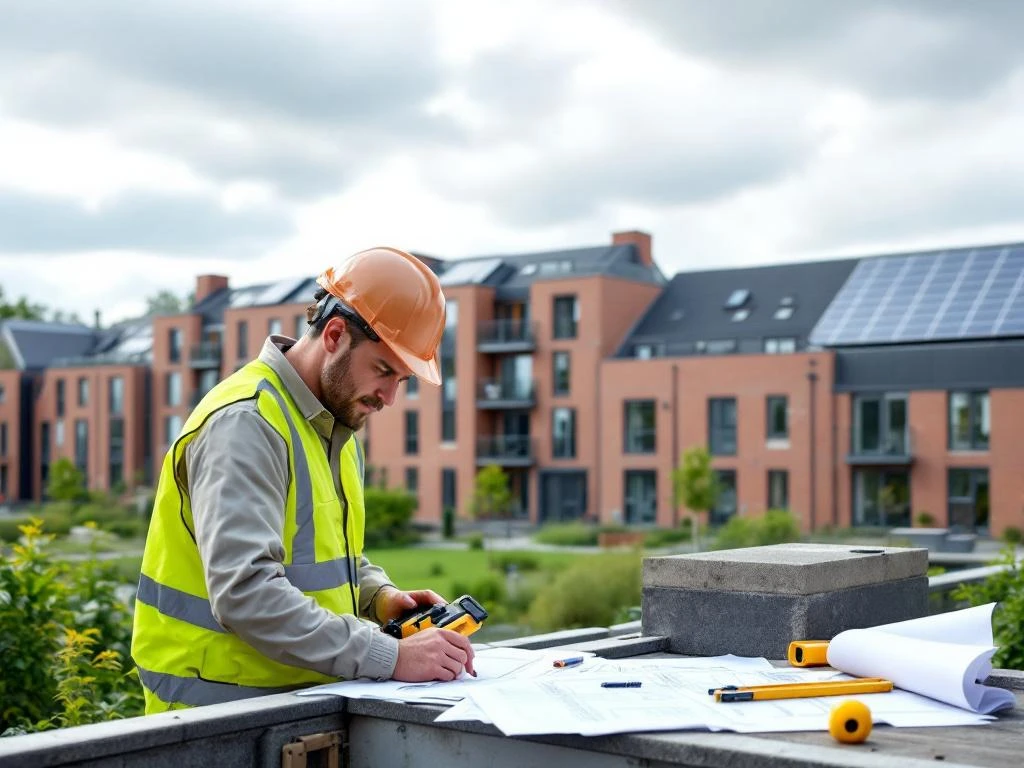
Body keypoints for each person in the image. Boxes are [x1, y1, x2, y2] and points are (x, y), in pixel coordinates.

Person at [132, 246, 475, 713]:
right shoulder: (247, 423)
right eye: (383, 370)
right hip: (216, 719)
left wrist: (379, 596)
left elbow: (317, 556)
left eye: (403, 380)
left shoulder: (330, 423)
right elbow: (247, 593)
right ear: (335, 335)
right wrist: (391, 656)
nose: (390, 397)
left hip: (283, 708)